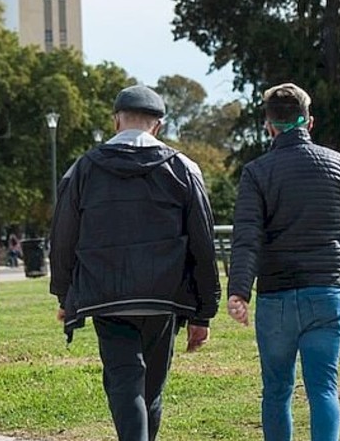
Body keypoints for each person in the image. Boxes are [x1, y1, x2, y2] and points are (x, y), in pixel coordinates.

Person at [49, 85, 220, 441]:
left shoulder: (82, 169)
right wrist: (203, 311)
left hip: (106, 293)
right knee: (151, 388)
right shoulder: (184, 168)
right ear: (158, 125)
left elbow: (63, 236)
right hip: (163, 295)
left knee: (125, 381)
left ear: (115, 121)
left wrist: (65, 294)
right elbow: (203, 242)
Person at [226, 83, 340, 441]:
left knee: (276, 391)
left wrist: (239, 292)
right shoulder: (336, 163)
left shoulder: (256, 173)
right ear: (309, 121)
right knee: (323, 387)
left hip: (276, 296)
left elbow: (247, 236)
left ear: (268, 125)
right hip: (324, 292)